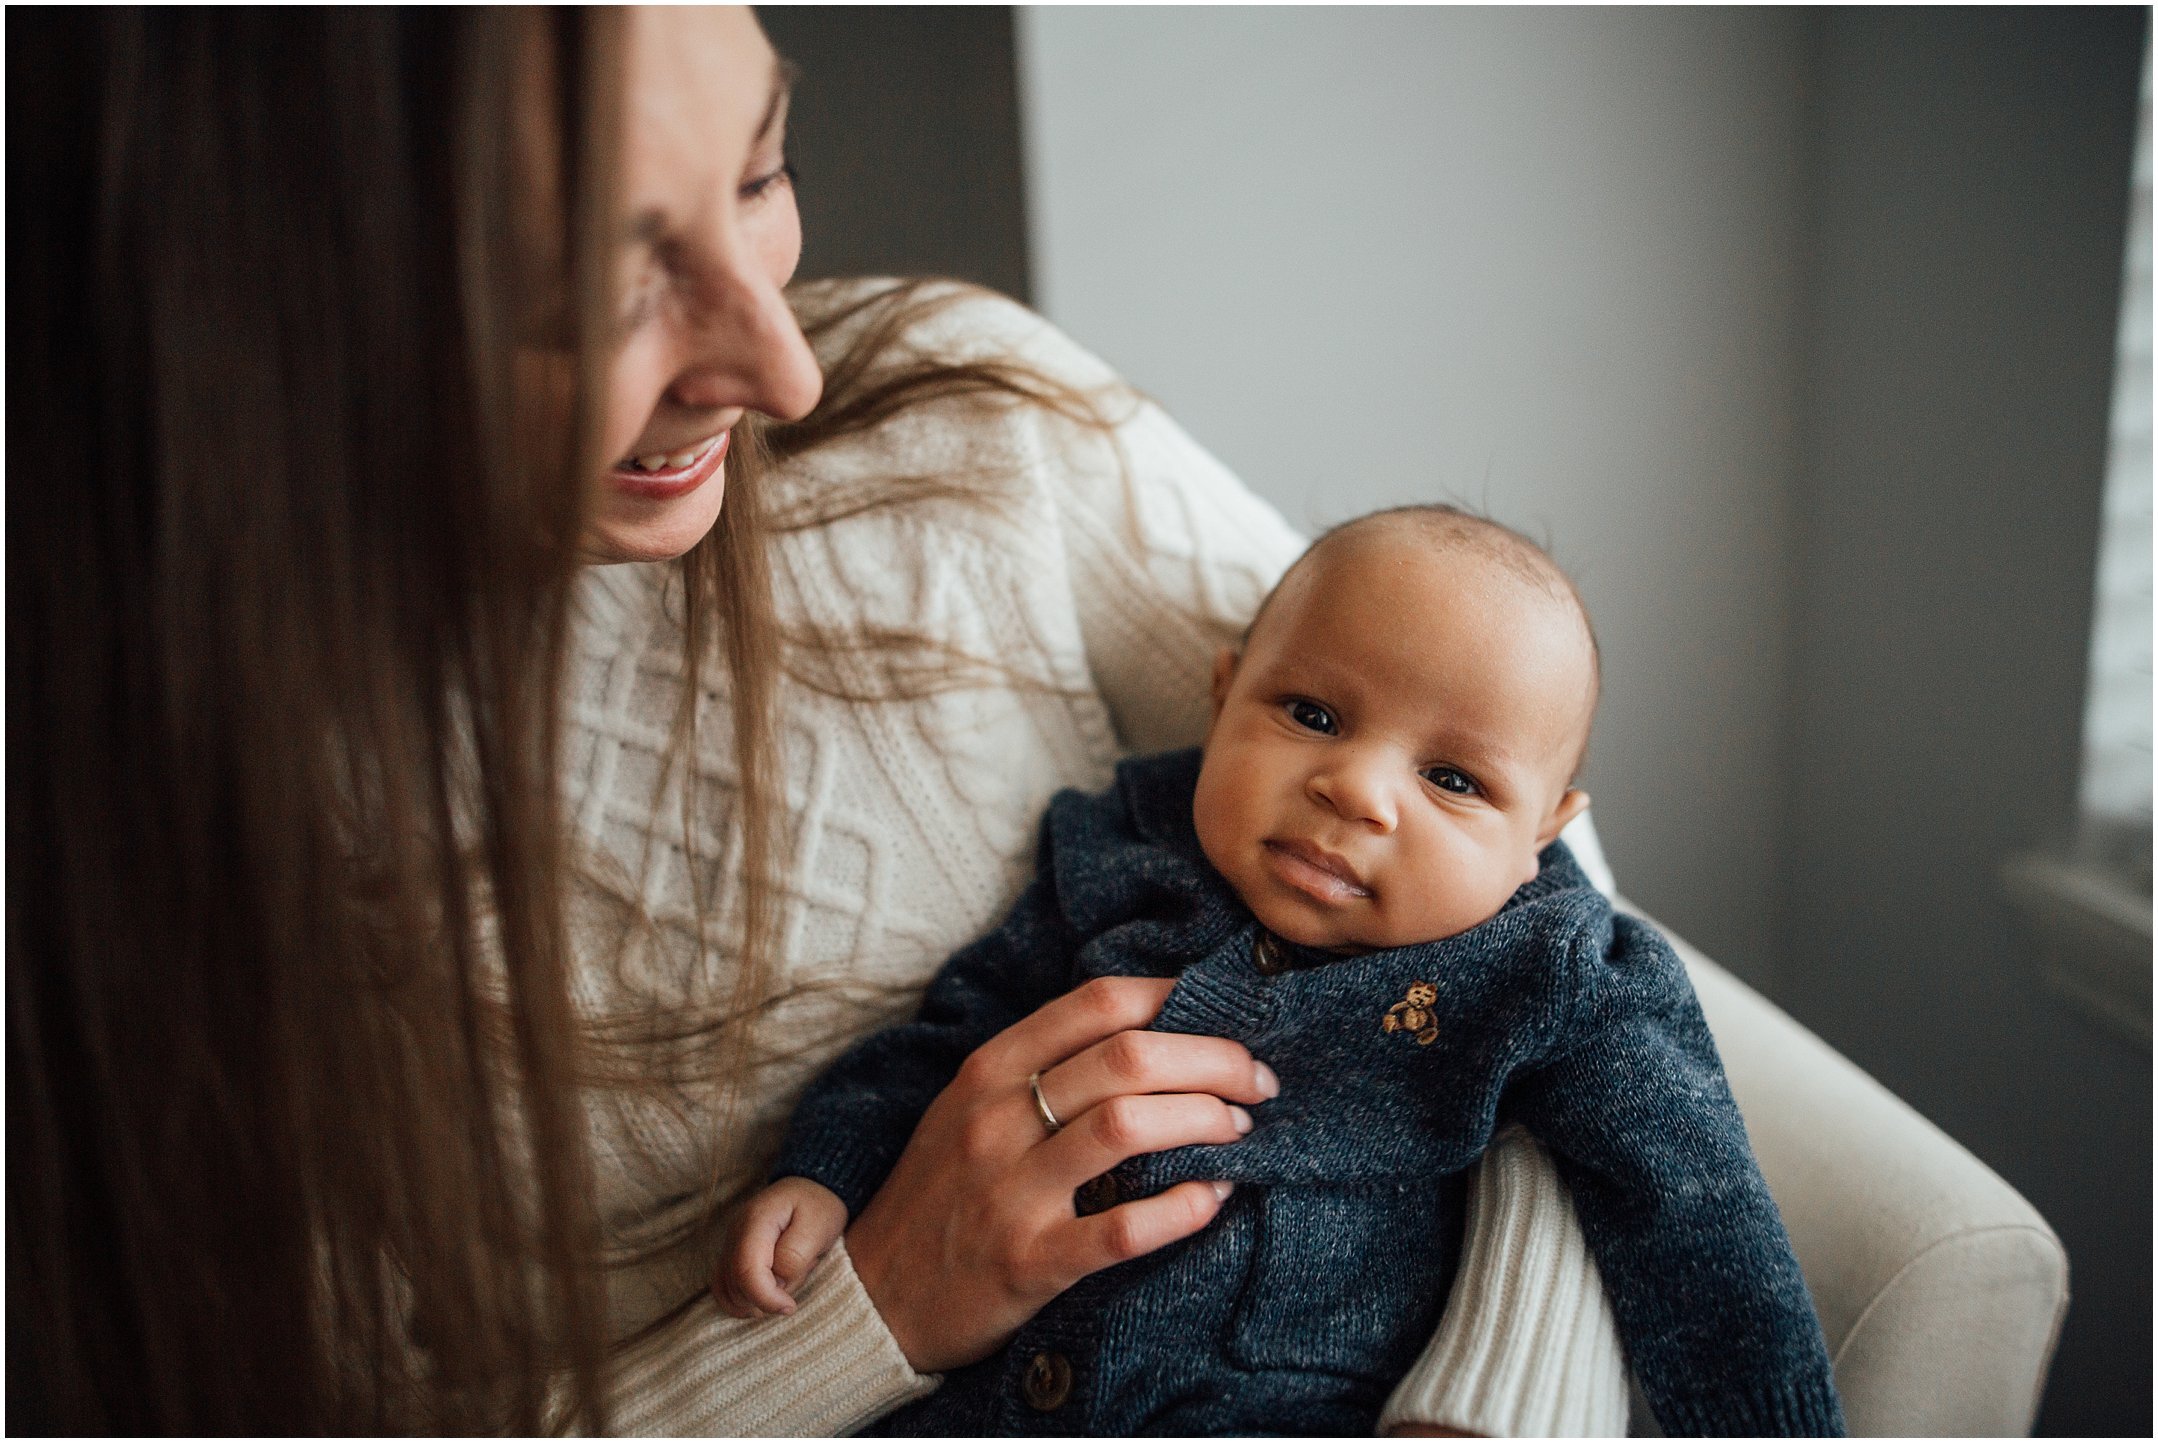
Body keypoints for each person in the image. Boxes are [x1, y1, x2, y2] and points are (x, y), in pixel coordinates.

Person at [11, 8, 1628, 1434]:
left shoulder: (963, 407)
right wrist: (879, 1301)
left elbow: (1513, 833)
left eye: (760, 171)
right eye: (577, 297)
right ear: (239, 315)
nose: (779, 372)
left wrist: (1492, 1404)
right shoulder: (153, 874)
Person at [724, 509, 1846, 1435]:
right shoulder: (1119, 847)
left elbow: (1691, 1205)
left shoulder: (1549, 967)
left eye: (1452, 779)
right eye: (1310, 715)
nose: (1356, 791)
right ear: (1222, 698)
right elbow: (955, 1034)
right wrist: (831, 1167)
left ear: (1542, 835)